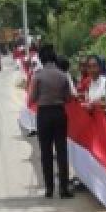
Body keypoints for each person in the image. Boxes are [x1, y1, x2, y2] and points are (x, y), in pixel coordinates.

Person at [30, 44, 74, 199]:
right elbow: (69, 98)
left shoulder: (38, 76)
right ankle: (64, 188)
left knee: (46, 152)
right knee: (61, 151)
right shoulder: (63, 76)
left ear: (41, 58)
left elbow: (31, 98)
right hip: (59, 113)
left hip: (44, 114)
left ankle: (49, 188)